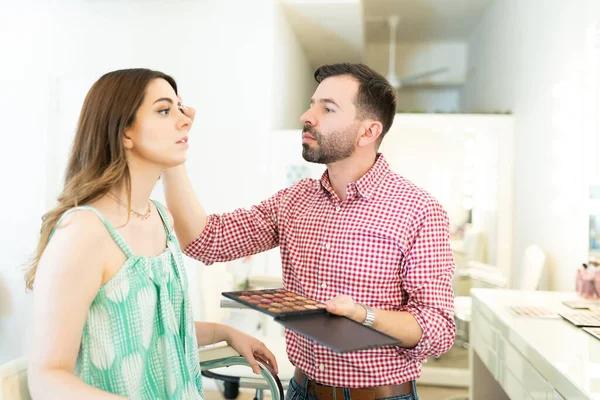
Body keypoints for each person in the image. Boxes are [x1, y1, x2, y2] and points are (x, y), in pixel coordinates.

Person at [163, 63, 455, 400]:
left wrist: (365, 316)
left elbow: (438, 328)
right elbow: (207, 241)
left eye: (327, 108)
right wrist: (173, 151)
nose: (307, 115)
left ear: (368, 132)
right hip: (302, 391)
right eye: (312, 104)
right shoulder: (295, 200)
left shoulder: (418, 210)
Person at [25, 68, 277, 400]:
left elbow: (155, 331)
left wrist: (223, 332)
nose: (185, 119)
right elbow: (47, 378)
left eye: (180, 107)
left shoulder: (159, 218)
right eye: (164, 110)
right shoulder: (83, 232)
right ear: (124, 132)